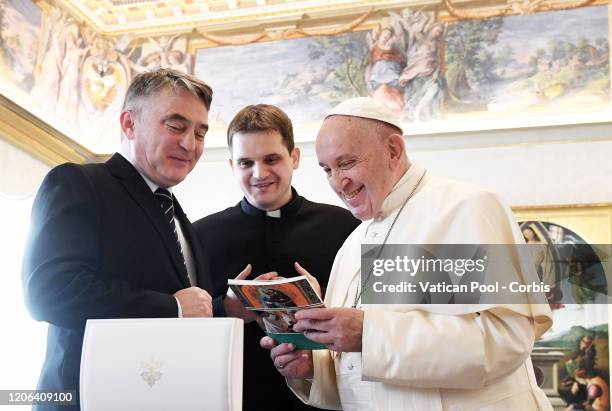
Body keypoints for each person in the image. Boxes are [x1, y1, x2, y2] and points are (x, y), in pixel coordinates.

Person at [262, 97, 554, 410]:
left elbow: (507, 337)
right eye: (327, 170)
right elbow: (357, 373)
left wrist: (368, 334)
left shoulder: (467, 207)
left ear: (393, 150)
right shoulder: (352, 244)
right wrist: (312, 367)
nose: (338, 183)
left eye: (346, 163)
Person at [22, 68, 220, 410]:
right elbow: (50, 292)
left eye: (200, 133)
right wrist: (170, 307)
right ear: (129, 123)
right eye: (176, 126)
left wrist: (223, 307)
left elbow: (186, 311)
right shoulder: (78, 183)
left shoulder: (178, 215)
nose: (190, 144)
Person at [193, 104, 360, 411]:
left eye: (271, 159)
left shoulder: (347, 227)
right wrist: (226, 308)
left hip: (324, 398)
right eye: (246, 162)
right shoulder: (200, 236)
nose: (259, 173)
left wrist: (322, 303)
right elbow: (183, 332)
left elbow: (370, 318)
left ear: (294, 157)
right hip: (234, 398)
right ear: (232, 165)